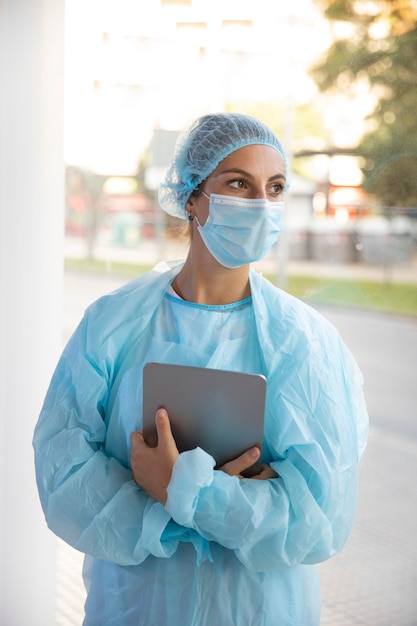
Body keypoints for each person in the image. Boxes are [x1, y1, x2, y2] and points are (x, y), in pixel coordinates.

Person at [33, 112, 368, 626]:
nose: (260, 205)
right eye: (238, 183)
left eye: (274, 188)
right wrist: (233, 495)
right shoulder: (112, 326)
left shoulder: (307, 344)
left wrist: (177, 489)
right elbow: (63, 473)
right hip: (139, 605)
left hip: (259, 609)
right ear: (191, 197)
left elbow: (318, 519)